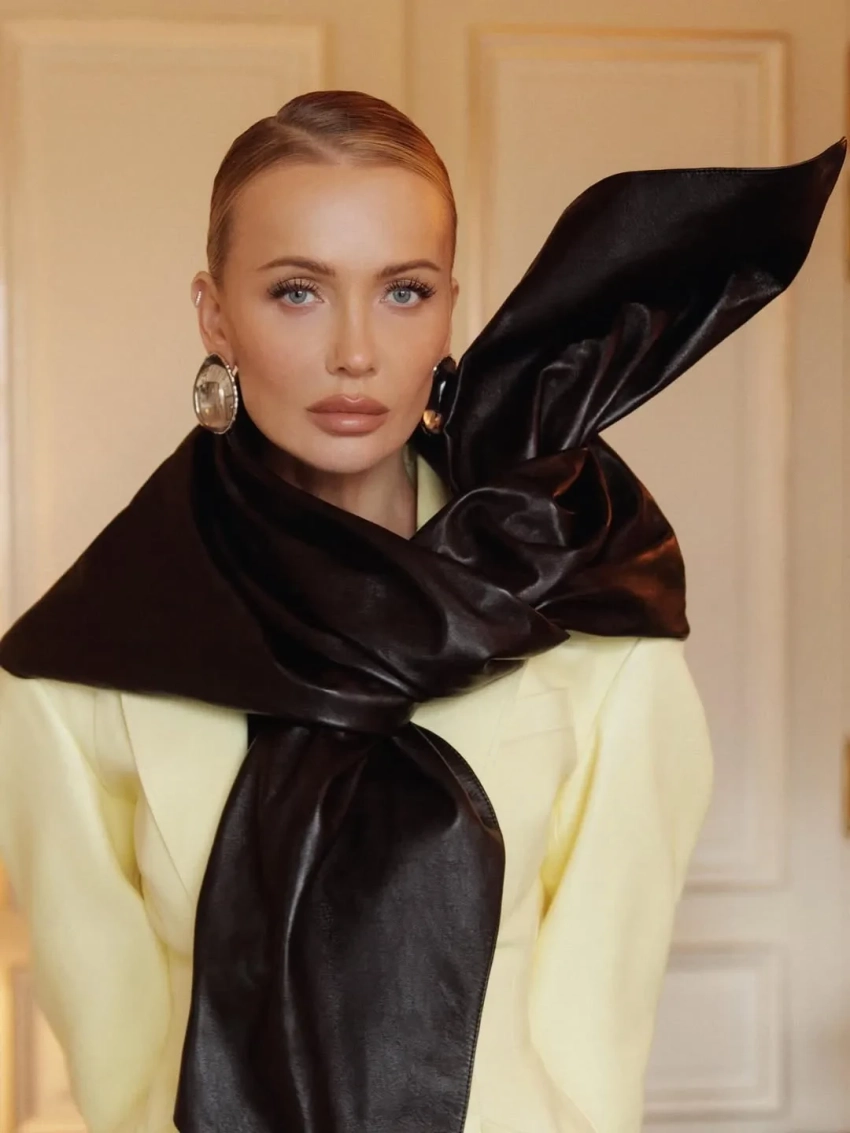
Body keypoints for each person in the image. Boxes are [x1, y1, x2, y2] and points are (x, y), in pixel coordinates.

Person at [0, 90, 842, 1133]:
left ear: (449, 309)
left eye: (403, 291)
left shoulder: (585, 626)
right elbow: (116, 1060)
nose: (355, 351)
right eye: (298, 291)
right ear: (215, 315)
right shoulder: (82, 665)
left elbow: (599, 1028)